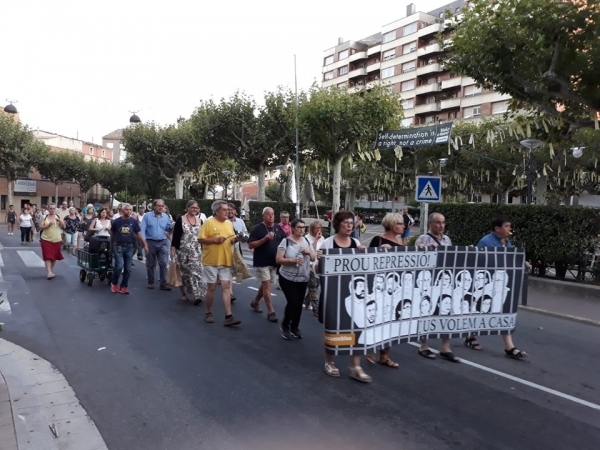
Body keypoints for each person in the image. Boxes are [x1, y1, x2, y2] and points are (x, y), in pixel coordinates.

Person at [318, 211, 371, 383]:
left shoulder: (356, 242)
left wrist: (366, 253)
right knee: (333, 327)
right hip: (333, 294)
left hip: (352, 294)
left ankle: (355, 365)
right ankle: (330, 362)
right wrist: (319, 260)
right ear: (338, 224)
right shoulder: (327, 243)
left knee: (357, 326)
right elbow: (316, 270)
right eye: (346, 223)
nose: (349, 226)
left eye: (352, 223)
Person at [470, 215, 529, 359]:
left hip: (502, 284)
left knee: (504, 311)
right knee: (479, 310)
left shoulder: (507, 243)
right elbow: (478, 261)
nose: (510, 229)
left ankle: (509, 347)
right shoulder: (485, 242)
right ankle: (470, 336)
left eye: (509, 226)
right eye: (507, 226)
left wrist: (523, 262)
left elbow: (511, 258)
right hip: (486, 284)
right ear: (497, 229)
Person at [414, 213, 459, 362]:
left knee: (446, 311)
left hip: (444, 280)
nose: (441, 225)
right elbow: (417, 259)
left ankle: (445, 347)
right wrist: (425, 248)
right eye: (438, 222)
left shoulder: (447, 240)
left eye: (443, 223)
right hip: (429, 282)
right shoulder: (422, 239)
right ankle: (424, 346)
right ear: (430, 224)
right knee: (427, 312)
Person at [365, 212, 405, 369]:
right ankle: (370, 349)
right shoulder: (378, 239)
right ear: (391, 225)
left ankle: (385, 356)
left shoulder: (401, 240)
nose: (404, 226)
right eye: (400, 224)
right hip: (378, 287)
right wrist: (380, 250)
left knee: (390, 323)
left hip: (395, 287)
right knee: (376, 320)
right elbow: (367, 262)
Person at [198, 200, 241, 326]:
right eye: (225, 209)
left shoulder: (228, 223)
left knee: (226, 287)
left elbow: (232, 239)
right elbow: (200, 239)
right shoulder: (208, 222)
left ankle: (229, 316)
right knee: (211, 287)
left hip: (226, 260)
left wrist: (237, 239)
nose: (228, 211)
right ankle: (209, 312)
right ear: (217, 211)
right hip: (211, 260)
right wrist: (214, 240)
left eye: (228, 209)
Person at [276, 218, 316, 340]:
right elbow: (278, 259)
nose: (301, 229)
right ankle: (285, 325)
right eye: (299, 227)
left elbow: (314, 258)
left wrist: (309, 253)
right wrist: (292, 260)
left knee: (299, 304)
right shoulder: (286, 242)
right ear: (292, 229)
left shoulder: (307, 241)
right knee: (293, 302)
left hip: (303, 278)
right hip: (287, 277)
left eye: (303, 227)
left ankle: (295, 327)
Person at [247, 207, 284, 323]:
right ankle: (271, 312)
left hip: (274, 262)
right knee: (267, 285)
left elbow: (285, 241)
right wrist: (265, 239)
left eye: (272, 214)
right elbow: (251, 245)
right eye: (268, 214)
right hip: (262, 261)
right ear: (263, 216)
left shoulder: (278, 228)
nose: (271, 216)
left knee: (266, 285)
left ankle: (255, 302)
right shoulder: (258, 229)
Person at [171, 200, 206, 304]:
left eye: (196, 208)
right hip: (183, 251)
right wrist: (173, 248)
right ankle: (183, 293)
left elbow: (203, 236)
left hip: (196, 251)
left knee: (196, 273)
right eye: (192, 207)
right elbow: (176, 236)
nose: (195, 210)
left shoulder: (200, 221)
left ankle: (197, 295)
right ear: (187, 208)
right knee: (184, 274)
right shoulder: (180, 220)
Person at [110, 203, 148, 295]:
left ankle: (124, 286)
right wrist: (111, 246)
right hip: (118, 246)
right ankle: (114, 283)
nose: (129, 211)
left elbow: (139, 234)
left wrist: (145, 245)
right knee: (119, 266)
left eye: (130, 210)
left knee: (128, 269)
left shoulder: (133, 221)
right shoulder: (117, 221)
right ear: (122, 210)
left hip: (129, 246)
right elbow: (112, 234)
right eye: (127, 209)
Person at [141, 199, 172, 291]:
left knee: (163, 263)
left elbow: (167, 228)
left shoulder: (166, 216)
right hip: (151, 242)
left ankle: (163, 283)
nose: (161, 207)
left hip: (162, 242)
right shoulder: (147, 216)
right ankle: (150, 281)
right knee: (151, 264)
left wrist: (172, 228)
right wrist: (144, 243)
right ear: (154, 206)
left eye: (162, 206)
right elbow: (142, 230)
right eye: (159, 206)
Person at [39, 203, 65, 279]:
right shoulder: (44, 217)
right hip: (46, 239)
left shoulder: (58, 217)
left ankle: (51, 271)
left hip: (57, 240)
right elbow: (41, 227)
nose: (52, 210)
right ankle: (49, 272)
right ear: (48, 209)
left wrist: (60, 221)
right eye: (51, 208)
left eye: (54, 209)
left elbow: (63, 226)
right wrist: (48, 225)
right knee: (47, 256)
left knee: (54, 257)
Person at [227, 203, 247, 303]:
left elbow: (245, 235)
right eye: (228, 210)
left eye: (232, 210)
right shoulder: (224, 221)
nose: (230, 211)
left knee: (239, 268)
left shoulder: (240, 221)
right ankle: (230, 293)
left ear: (236, 211)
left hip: (236, 248)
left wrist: (241, 237)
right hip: (226, 249)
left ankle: (236, 282)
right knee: (228, 271)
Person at [305, 221, 325, 313]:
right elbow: (310, 250)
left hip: (319, 265)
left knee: (316, 286)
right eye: (316, 228)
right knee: (313, 286)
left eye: (320, 228)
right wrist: (316, 240)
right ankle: (316, 309)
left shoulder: (323, 238)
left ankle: (306, 300)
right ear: (312, 229)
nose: (318, 230)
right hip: (309, 265)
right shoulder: (307, 238)